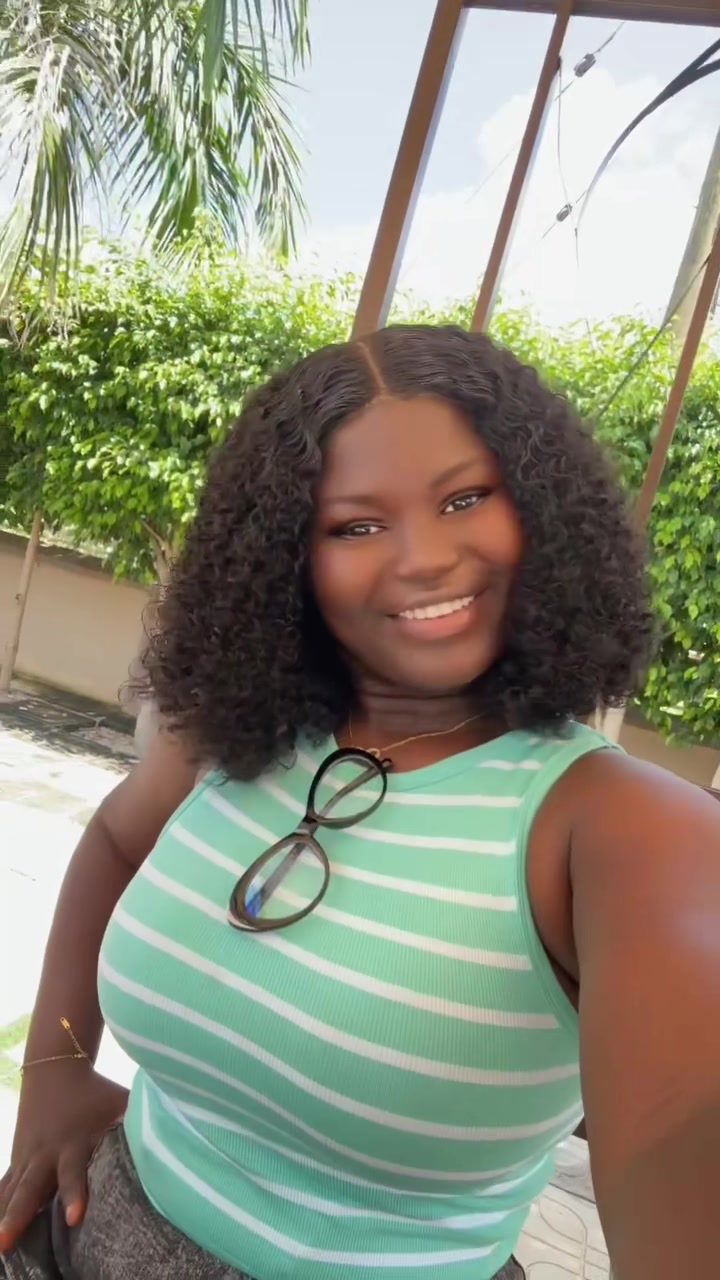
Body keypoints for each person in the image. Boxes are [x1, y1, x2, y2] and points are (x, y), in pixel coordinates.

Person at [1, 325, 719, 1280]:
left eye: (464, 498)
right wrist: (55, 1068)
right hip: (79, 1238)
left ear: (542, 509)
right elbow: (113, 842)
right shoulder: (238, 733)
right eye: (355, 525)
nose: (424, 558)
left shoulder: (626, 831)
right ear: (286, 557)